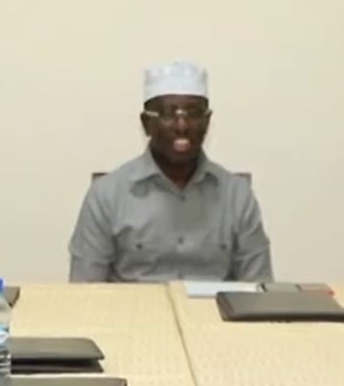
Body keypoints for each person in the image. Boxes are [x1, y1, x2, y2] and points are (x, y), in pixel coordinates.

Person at [68, 61, 273, 283]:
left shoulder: (237, 196)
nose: (182, 125)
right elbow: (85, 292)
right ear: (146, 123)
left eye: (193, 113)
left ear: (207, 122)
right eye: (167, 113)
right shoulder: (107, 195)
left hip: (212, 316)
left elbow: (258, 292)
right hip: (133, 316)